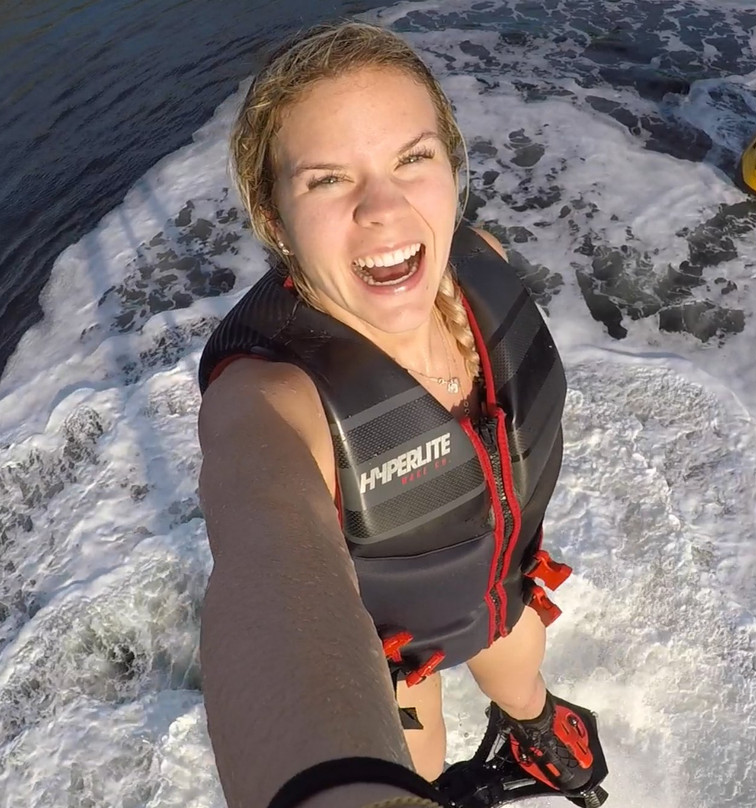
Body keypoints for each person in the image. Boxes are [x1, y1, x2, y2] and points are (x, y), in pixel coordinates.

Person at [196, 20, 603, 808]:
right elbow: (265, 556)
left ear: (451, 167)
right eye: (326, 180)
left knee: (519, 660)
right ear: (274, 220)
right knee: (412, 753)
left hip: (498, 588)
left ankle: (532, 723)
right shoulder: (268, 396)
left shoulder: (484, 261)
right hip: (388, 659)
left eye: (413, 158)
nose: (383, 208)